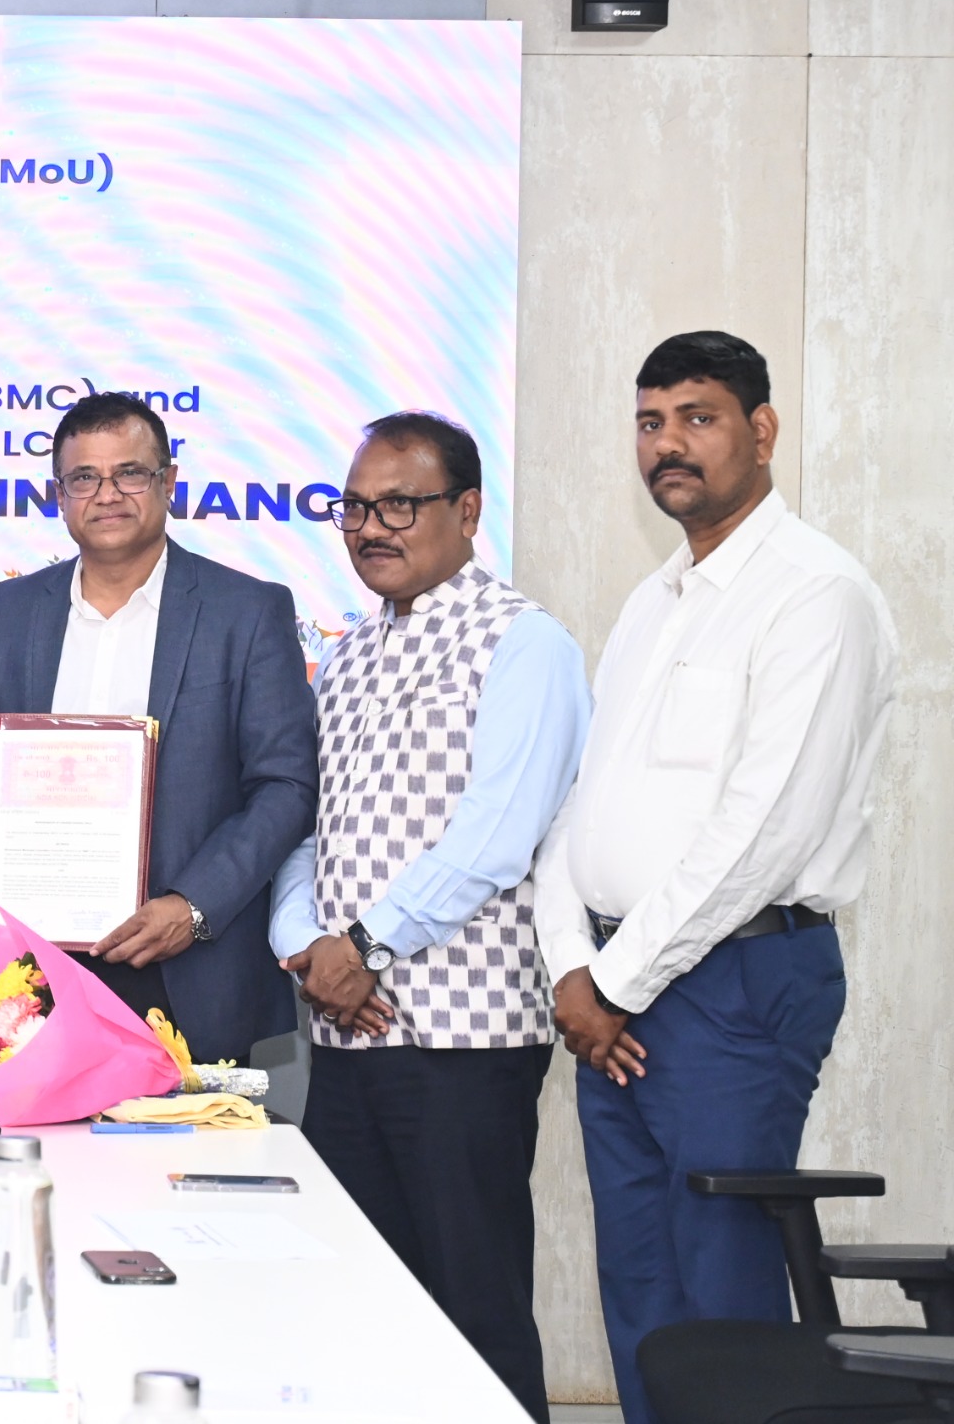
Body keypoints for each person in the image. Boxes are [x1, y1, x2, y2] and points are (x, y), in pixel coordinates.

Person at [534, 332, 896, 1424]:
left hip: (734, 982)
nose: (668, 444)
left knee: (721, 1284)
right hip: (617, 986)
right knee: (641, 1283)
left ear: (762, 430)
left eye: (698, 417)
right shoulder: (653, 600)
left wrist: (612, 982)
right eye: (650, 422)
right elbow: (581, 804)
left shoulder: (815, 594)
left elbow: (763, 832)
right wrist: (572, 966)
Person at [267, 413, 589, 1423]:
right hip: (344, 1035)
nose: (372, 526)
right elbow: (310, 829)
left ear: (468, 510)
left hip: (462, 1042)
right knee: (362, 1314)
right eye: (355, 506)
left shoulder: (524, 642)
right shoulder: (349, 653)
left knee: (472, 1309)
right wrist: (302, 945)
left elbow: (499, 832)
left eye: (400, 504)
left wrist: (364, 945)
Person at [0, 390, 317, 1068]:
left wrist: (193, 907)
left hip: (184, 966)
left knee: (182, 1142)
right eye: (84, 477)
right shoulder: (10, 610)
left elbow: (286, 785)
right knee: (33, 1138)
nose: (108, 494)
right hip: (33, 966)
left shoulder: (246, 611)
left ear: (169, 482)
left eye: (130, 473)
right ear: (59, 495)